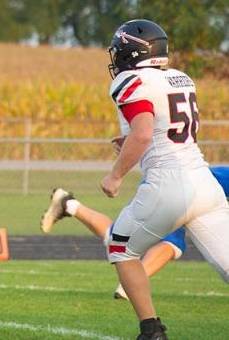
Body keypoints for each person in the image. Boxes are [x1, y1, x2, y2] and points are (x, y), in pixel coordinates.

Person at [83, 19, 229, 340]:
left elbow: (145, 132)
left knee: (121, 247)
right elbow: (167, 130)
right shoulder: (180, 78)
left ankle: (151, 331)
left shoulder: (129, 80)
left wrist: (115, 175)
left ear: (130, 52)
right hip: (204, 184)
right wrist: (131, 144)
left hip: (168, 184)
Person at [41, 167, 229, 300]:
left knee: (119, 239)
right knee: (173, 244)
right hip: (175, 186)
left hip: (167, 181)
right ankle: (131, 285)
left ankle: (69, 204)